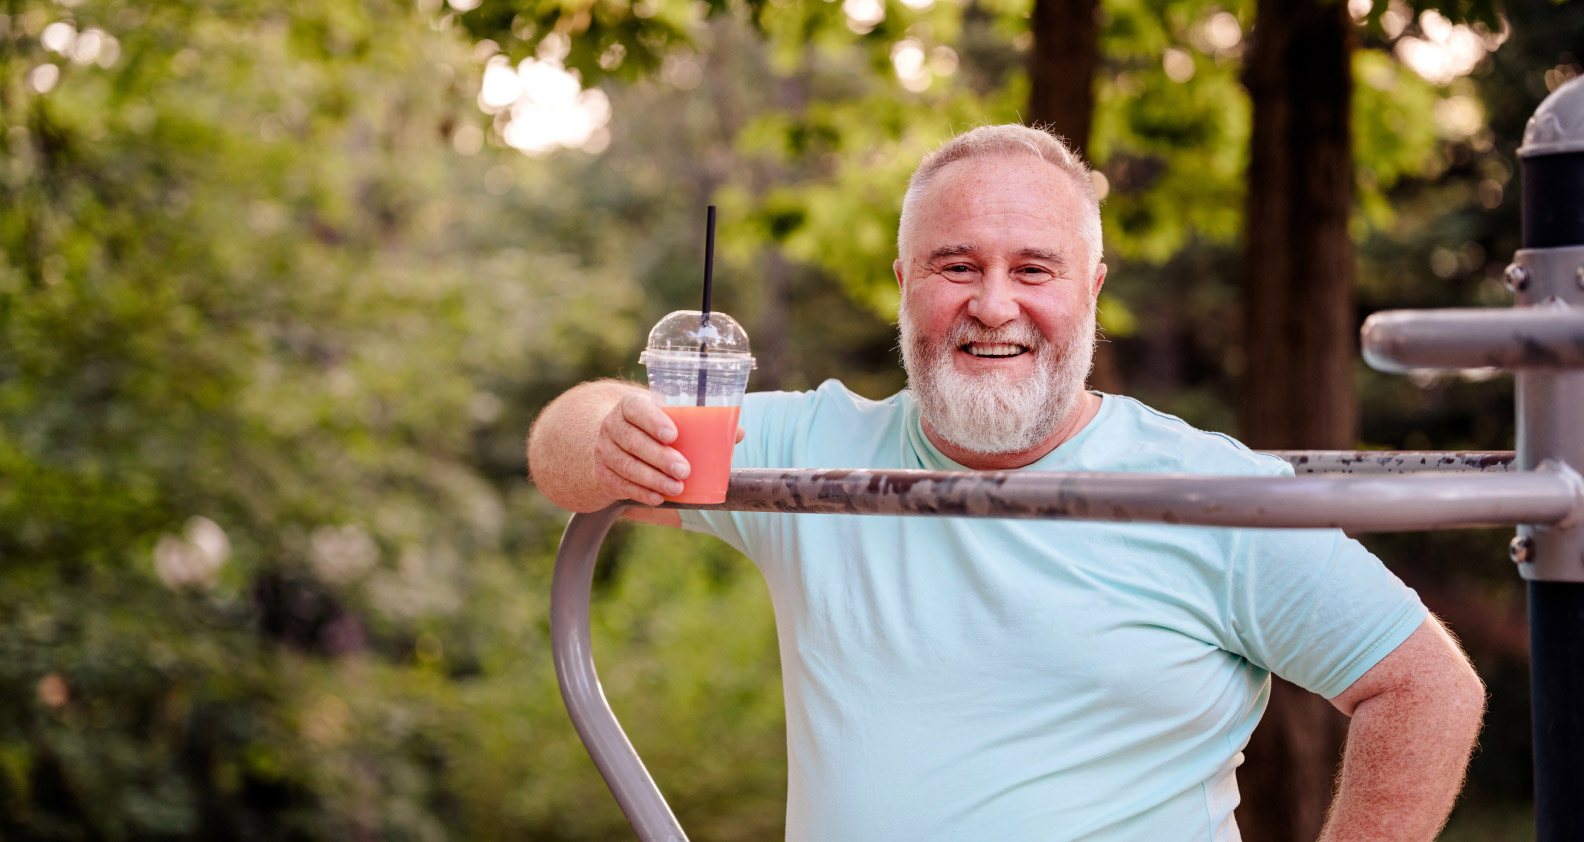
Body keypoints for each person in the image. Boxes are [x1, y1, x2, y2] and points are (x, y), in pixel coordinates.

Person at [527, 124, 1485, 842]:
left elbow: (1425, 689)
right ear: (904, 281)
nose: (993, 304)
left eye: (1035, 267)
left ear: (1092, 289)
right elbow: (564, 440)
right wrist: (611, 436)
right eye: (956, 265)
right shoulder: (814, 449)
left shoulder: (1206, 492)